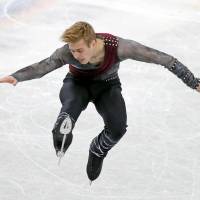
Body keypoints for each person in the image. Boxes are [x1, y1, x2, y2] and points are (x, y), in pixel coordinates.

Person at [0, 21, 200, 183]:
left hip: (108, 86)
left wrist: (193, 82)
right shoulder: (66, 52)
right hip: (76, 84)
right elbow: (43, 67)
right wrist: (15, 76)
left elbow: (164, 59)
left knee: (118, 128)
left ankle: (97, 149)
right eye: (72, 51)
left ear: (94, 43)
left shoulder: (120, 47)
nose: (74, 55)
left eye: (79, 50)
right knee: (67, 113)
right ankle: (62, 130)